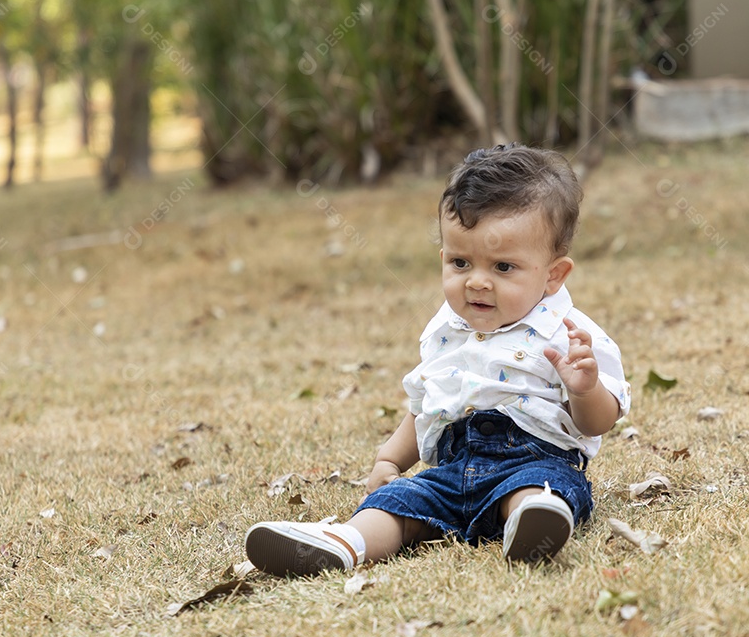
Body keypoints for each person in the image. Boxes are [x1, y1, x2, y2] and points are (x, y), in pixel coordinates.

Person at [246, 144, 631, 576]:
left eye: (503, 268)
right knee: (398, 502)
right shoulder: (445, 332)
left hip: (533, 462)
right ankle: (344, 542)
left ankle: (531, 523)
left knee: (542, 489)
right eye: (461, 262)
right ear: (443, 257)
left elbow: (598, 422)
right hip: (452, 473)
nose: (478, 282)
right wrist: (389, 461)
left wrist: (585, 388)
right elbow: (426, 406)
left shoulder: (570, 334)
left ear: (553, 275)